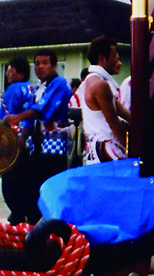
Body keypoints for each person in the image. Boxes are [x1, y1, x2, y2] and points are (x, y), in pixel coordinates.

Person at [4, 50, 71, 224]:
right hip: (37, 147)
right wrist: (21, 140)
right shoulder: (38, 87)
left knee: (49, 189)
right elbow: (29, 119)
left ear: (54, 65)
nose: (40, 67)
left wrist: (17, 117)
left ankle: (48, 232)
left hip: (54, 147)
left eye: (45, 63)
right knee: (34, 189)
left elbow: (43, 110)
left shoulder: (60, 84)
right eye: (37, 63)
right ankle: (31, 227)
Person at [81, 36, 130, 163]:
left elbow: (124, 113)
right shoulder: (100, 85)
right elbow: (113, 122)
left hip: (96, 147)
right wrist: (132, 149)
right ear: (102, 59)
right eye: (114, 55)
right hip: (106, 147)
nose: (118, 60)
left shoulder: (93, 81)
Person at [0, 56, 35, 224]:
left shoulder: (13, 90)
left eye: (10, 71)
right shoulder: (32, 88)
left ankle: (17, 216)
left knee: (9, 184)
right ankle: (28, 216)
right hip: (31, 142)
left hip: (13, 143)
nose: (7, 75)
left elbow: (6, 118)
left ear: (20, 73)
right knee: (26, 182)